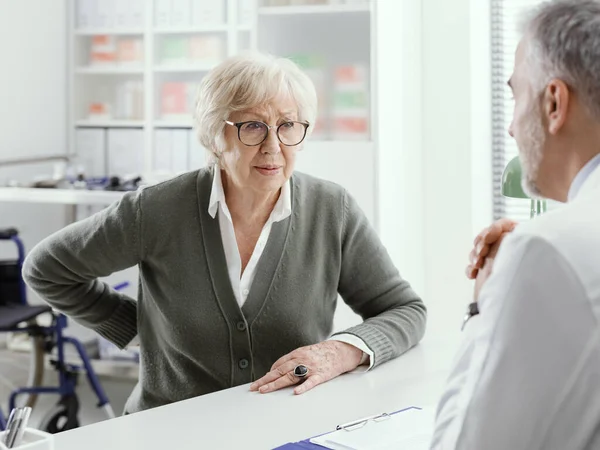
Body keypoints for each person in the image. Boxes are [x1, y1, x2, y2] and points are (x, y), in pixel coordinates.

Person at [22, 52, 426, 414]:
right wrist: (138, 329)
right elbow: (47, 269)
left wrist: (342, 351)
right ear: (216, 135)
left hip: (283, 427)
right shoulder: (157, 210)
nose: (273, 146)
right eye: (252, 127)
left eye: (288, 126)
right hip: (168, 431)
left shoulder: (331, 209)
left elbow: (405, 310)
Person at [430, 1, 600, 448]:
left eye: (515, 94)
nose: (509, 128)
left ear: (553, 103)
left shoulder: (547, 249)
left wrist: (483, 306)